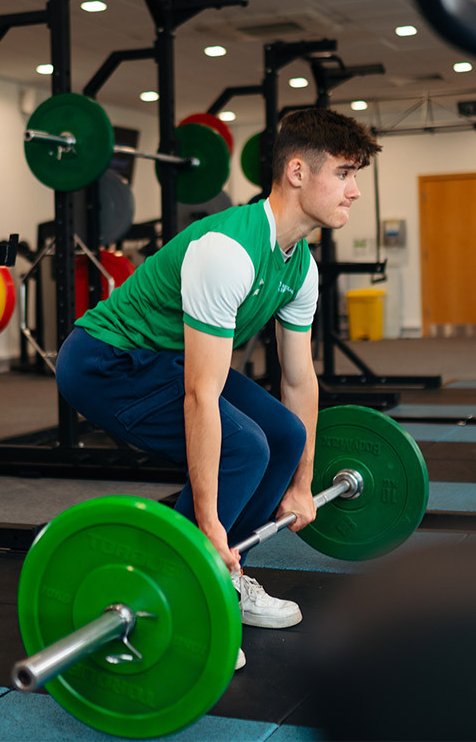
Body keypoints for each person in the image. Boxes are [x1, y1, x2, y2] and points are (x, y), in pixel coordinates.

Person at [56, 107, 380, 669]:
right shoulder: (226, 251)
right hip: (107, 363)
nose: (354, 191)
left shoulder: (299, 266)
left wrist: (302, 482)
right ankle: (178, 601)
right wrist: (207, 524)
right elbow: (201, 396)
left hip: (169, 358)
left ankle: (227, 575)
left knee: (280, 435)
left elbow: (299, 380)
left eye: (356, 177)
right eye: (345, 174)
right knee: (244, 446)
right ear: (298, 172)